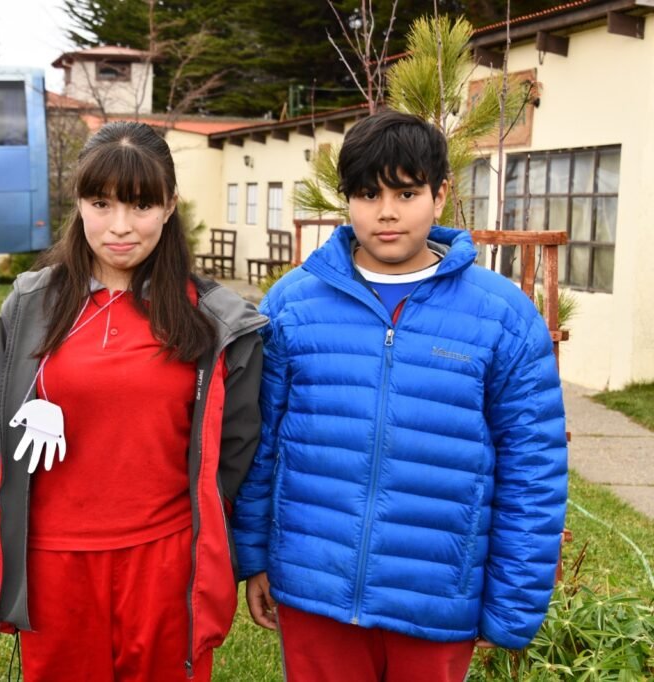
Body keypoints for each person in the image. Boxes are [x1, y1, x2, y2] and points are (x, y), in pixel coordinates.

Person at [231, 110, 568, 681]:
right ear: (347, 201)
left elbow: (532, 469)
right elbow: (259, 445)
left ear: (440, 194)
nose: (386, 212)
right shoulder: (292, 304)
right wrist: (255, 556)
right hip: (316, 587)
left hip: (436, 599)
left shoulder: (502, 316)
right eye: (367, 193)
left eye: (406, 192)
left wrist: (512, 604)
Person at [0, 121, 266, 681]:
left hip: (165, 561)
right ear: (79, 204)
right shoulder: (30, 304)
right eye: (101, 203)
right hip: (54, 561)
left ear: (170, 207)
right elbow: (0, 427)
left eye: (141, 206)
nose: (120, 227)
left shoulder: (215, 319)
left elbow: (236, 448)